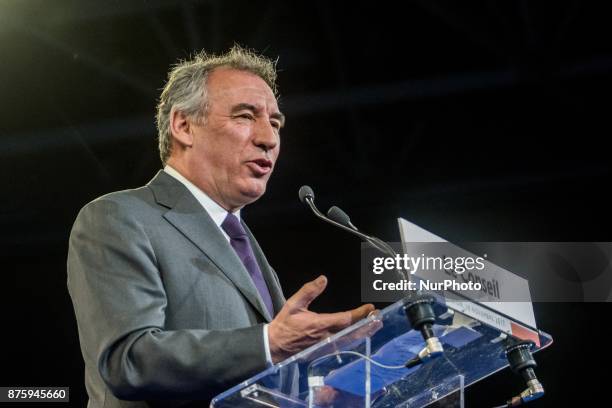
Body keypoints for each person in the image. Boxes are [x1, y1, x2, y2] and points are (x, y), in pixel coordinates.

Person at [67, 45, 374, 407]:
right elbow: (129, 360)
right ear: (183, 125)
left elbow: (256, 377)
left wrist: (310, 387)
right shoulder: (119, 217)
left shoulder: (244, 247)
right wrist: (268, 343)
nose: (269, 138)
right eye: (245, 116)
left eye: (275, 123)